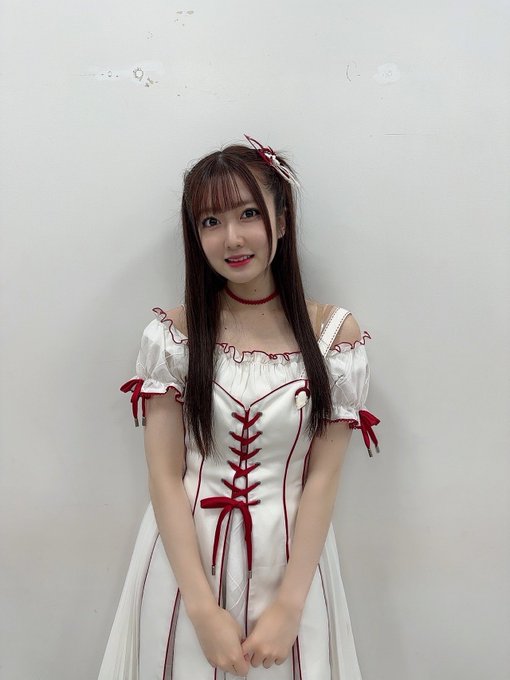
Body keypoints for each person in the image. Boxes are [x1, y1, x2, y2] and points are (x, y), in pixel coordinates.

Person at [98, 134, 380, 680]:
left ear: (282, 219)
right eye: (211, 221)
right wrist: (202, 611)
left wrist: (290, 606)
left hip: (292, 565)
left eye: (248, 213)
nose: (232, 238)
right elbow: (165, 476)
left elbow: (322, 478)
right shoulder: (174, 335)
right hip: (183, 568)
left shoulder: (332, 337)